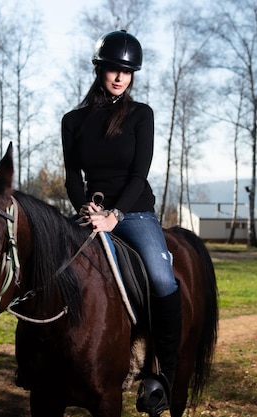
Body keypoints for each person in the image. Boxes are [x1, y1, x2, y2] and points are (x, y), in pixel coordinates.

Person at [61, 29, 182, 415]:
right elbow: (70, 177)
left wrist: (115, 216)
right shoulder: (73, 120)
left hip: (135, 212)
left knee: (163, 280)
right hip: (90, 212)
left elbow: (139, 175)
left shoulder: (140, 115)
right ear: (100, 70)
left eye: (127, 72)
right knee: (49, 267)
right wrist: (86, 209)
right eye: (113, 69)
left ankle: (165, 375)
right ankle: (35, 363)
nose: (119, 77)